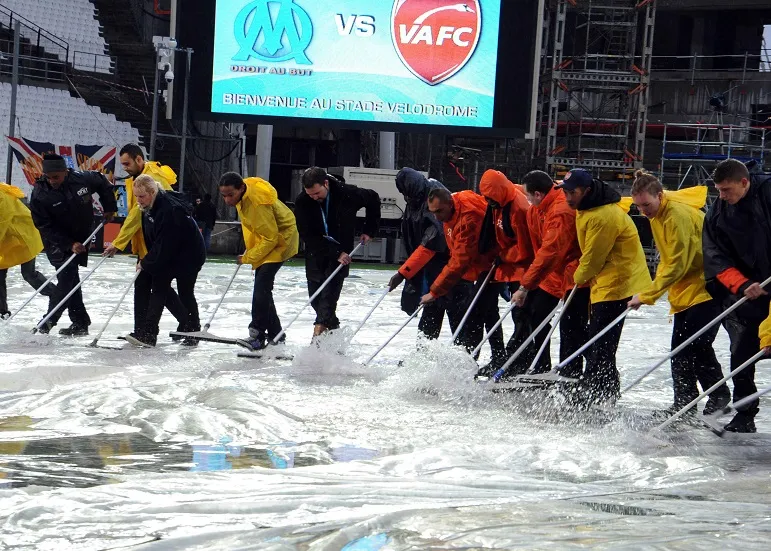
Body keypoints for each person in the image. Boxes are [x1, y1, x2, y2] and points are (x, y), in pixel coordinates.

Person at [627, 171, 731, 418]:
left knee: (696, 345)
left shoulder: (676, 216)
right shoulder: (658, 216)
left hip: (708, 287)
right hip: (687, 291)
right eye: (638, 206)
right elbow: (667, 261)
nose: (643, 211)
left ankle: (719, 395)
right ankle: (684, 402)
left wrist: (649, 294)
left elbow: (678, 263)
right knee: (681, 348)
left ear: (660, 196)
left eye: (647, 205)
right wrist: (652, 291)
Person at [558, 168, 652, 404]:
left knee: (601, 338)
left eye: (573, 192)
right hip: (604, 280)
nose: (568, 197)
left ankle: (597, 389)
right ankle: (604, 388)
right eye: (566, 192)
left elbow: (593, 257)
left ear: (587, 191)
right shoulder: (586, 207)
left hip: (617, 281)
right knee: (599, 336)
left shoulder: (603, 216)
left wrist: (576, 279)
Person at [702, 158, 771, 433]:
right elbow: (714, 254)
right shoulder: (718, 211)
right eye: (718, 189)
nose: (722, 195)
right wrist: (741, 284)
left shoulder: (767, 192)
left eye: (726, 190)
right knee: (742, 351)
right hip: (748, 292)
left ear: (744, 182)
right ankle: (744, 414)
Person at [509, 170, 587, 379]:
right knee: (536, 312)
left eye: (528, 195)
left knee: (571, 325)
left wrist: (525, 285)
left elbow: (551, 251)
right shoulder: (537, 210)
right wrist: (530, 280)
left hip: (574, 272)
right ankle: (542, 366)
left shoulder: (560, 211)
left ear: (538, 194)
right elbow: (539, 250)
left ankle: (573, 371)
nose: (525, 199)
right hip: (552, 273)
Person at [102, 143, 184, 339]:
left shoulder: (150, 179)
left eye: (127, 163)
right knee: (149, 286)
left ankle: (158, 329)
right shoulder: (137, 178)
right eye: (122, 164)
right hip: (148, 243)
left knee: (155, 287)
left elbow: (135, 214)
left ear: (139, 159)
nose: (125, 168)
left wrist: (119, 242)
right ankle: (145, 331)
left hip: (159, 244)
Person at [29, 154, 117, 335]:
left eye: (56, 177)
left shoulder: (82, 179)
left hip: (81, 237)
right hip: (57, 242)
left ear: (65, 171)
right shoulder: (40, 193)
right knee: (67, 277)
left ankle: (80, 323)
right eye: (48, 177)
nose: (52, 181)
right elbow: (43, 226)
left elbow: (102, 182)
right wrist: (69, 244)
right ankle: (47, 322)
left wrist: (109, 207)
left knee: (71, 279)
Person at [294, 167, 381, 339]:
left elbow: (373, 198)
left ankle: (318, 338)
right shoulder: (303, 201)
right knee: (316, 299)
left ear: (326, 183)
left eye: (317, 193)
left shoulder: (347, 193)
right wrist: (335, 252)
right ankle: (335, 336)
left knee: (328, 298)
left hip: (341, 254)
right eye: (310, 194)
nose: (314, 198)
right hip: (317, 252)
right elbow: (307, 235)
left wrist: (369, 230)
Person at [218, 172, 299, 350]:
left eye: (230, 195)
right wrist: (252, 247)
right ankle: (277, 334)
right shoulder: (244, 193)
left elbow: (270, 238)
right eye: (223, 195)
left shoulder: (256, 204)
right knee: (263, 289)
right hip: (270, 239)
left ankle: (257, 335)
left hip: (280, 240)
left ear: (240, 188)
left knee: (261, 289)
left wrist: (248, 257)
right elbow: (256, 228)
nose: (227, 200)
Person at [126, 175, 206, 348]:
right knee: (149, 284)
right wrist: (145, 259)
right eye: (136, 196)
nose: (138, 201)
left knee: (181, 291)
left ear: (153, 192)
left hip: (189, 255)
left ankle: (192, 330)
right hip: (170, 252)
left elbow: (165, 243)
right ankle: (144, 331)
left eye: (141, 196)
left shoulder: (169, 210)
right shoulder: (147, 207)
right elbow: (152, 239)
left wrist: (147, 262)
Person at [420, 187, 496, 352]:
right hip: (478, 264)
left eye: (439, 211)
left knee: (481, 313)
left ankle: (475, 358)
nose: (436, 216)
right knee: (485, 313)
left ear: (449, 204)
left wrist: (434, 292)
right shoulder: (458, 199)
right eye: (432, 212)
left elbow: (460, 260)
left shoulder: (468, 219)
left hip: (490, 264)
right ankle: (489, 356)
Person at [475, 170, 533, 378]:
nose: (487, 201)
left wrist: (504, 256)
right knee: (495, 309)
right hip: (507, 265)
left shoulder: (518, 208)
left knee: (522, 314)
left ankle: (519, 360)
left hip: (522, 268)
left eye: (490, 197)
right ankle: (505, 357)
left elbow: (526, 248)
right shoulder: (499, 203)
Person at [387, 168, 457, 340]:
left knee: (454, 308)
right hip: (432, 264)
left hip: (447, 264)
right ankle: (423, 351)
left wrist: (404, 272)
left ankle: (466, 353)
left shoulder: (432, 200)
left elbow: (431, 242)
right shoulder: (415, 198)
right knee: (432, 306)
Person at [0, 182, 59, 318]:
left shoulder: (2, 197)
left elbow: (1, 223)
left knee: (28, 273)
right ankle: (2, 312)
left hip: (23, 236)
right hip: (7, 240)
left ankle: (56, 294)